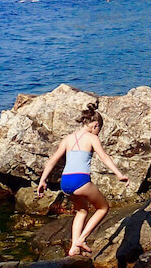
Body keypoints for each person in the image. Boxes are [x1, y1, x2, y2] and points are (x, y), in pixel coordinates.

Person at [37, 103, 129, 257]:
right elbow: (104, 157)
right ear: (95, 125)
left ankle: (74, 248)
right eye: (99, 129)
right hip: (81, 180)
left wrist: (42, 180)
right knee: (103, 208)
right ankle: (81, 239)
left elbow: (53, 160)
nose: (98, 133)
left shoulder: (67, 139)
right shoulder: (92, 138)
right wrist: (119, 174)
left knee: (81, 211)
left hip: (65, 183)